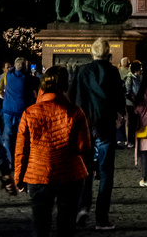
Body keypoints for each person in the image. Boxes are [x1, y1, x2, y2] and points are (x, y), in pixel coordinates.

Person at [14, 66, 91, 237]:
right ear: (65, 85)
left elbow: (21, 149)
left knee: (40, 224)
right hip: (69, 174)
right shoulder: (75, 112)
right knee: (66, 224)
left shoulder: (30, 113)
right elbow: (83, 147)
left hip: (38, 173)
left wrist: (19, 177)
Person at [69, 37, 125, 231]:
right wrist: (120, 114)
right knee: (106, 172)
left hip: (85, 124)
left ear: (91, 53)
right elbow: (119, 98)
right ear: (108, 54)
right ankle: (102, 217)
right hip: (105, 125)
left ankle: (82, 208)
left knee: (83, 169)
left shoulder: (82, 71)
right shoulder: (113, 71)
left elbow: (75, 97)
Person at [1, 57, 36, 167]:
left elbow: (10, 69)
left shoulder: (9, 76)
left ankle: (9, 162)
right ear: (25, 68)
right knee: (21, 137)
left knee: (8, 137)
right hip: (21, 111)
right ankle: (20, 162)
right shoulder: (27, 78)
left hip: (8, 110)